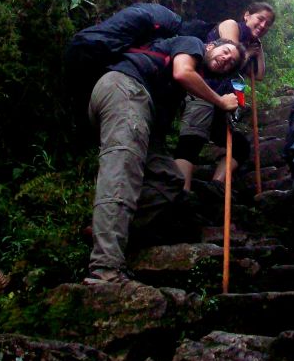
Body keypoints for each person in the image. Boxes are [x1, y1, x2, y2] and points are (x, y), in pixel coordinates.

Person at [84, 34, 245, 284]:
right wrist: (220, 101)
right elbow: (182, 72)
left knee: (170, 181)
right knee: (124, 170)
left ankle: (108, 227)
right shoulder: (193, 45)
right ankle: (105, 267)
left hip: (142, 114)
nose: (226, 59)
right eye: (226, 52)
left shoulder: (191, 85)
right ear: (212, 46)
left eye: (231, 63)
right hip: (126, 90)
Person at [174, 1, 276, 193]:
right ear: (246, 15)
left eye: (267, 25)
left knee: (240, 146)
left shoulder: (251, 44)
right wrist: (249, 53)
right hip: (203, 90)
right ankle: (181, 193)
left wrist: (258, 47)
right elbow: (231, 58)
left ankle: (216, 186)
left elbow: (259, 75)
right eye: (260, 19)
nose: (263, 26)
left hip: (222, 102)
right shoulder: (231, 25)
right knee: (192, 139)